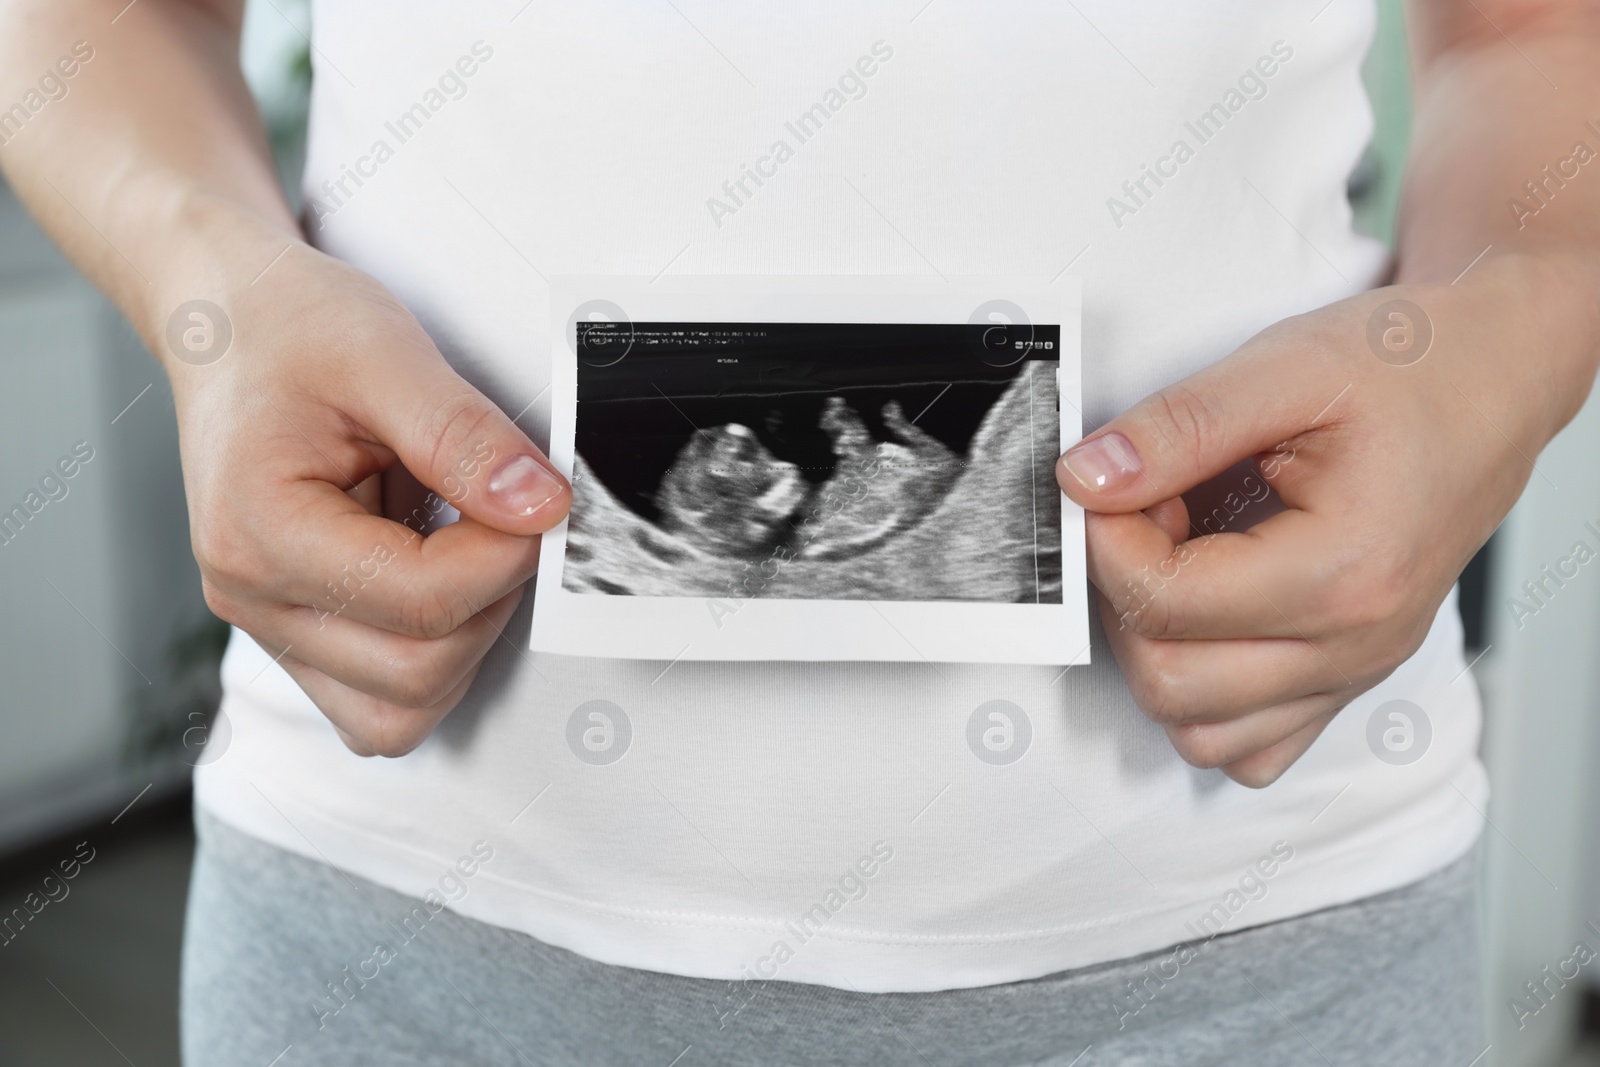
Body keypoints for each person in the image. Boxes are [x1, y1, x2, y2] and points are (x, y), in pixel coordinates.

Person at [4, 0, 1597, 1063]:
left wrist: (1503, 333)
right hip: (392, 942)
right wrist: (211, 287)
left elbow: (1528, 37)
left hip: (1260, 949)